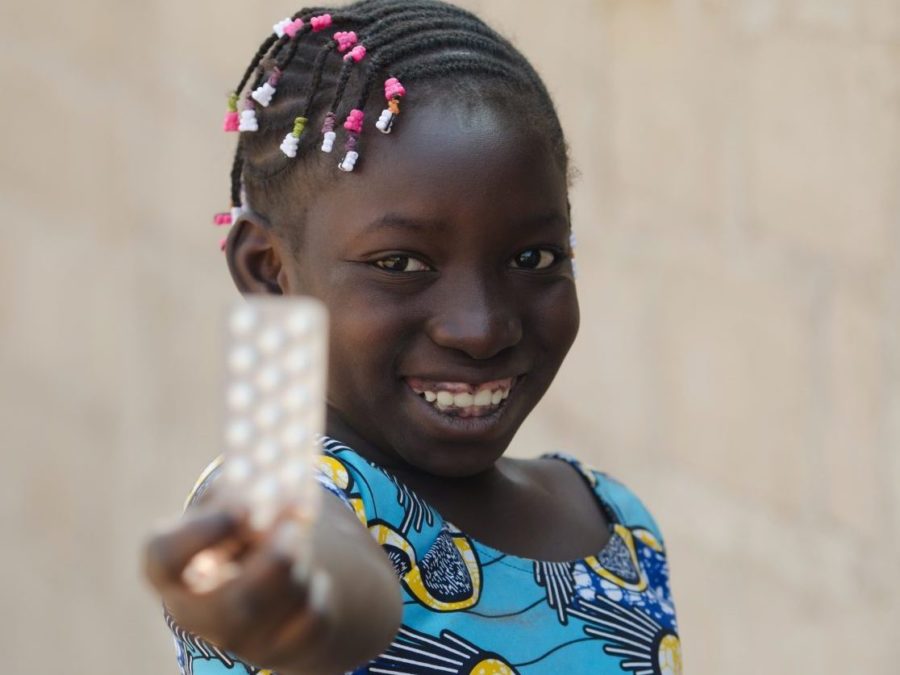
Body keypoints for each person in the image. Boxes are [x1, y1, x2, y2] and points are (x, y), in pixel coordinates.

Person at [144, 1, 681, 673]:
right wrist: (298, 596)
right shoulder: (306, 502)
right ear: (269, 271)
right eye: (400, 264)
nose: (480, 328)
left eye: (533, 258)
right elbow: (327, 563)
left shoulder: (614, 523)